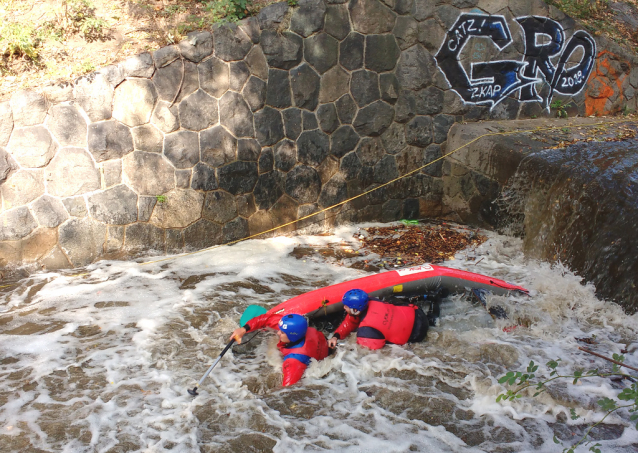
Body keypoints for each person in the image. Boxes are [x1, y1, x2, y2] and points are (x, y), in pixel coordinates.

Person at [230, 313, 331, 386]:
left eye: (282, 332)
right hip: (321, 345)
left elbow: (287, 390)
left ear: (292, 336)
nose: (278, 333)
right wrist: (243, 329)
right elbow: (266, 318)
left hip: (315, 360)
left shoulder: (294, 361)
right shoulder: (299, 328)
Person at [327, 289, 429, 350]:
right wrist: (336, 336)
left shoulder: (366, 332)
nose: (344, 308)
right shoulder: (371, 299)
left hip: (417, 335)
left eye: (346, 306)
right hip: (418, 313)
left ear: (355, 310)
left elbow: (370, 352)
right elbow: (350, 321)